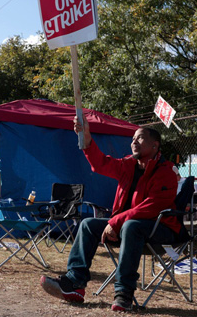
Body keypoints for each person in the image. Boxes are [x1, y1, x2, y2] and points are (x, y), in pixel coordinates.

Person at [41, 117, 180, 312]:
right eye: (133, 138)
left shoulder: (166, 171)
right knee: (89, 224)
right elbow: (100, 164)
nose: (133, 142)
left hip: (161, 230)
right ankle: (75, 283)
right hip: (128, 227)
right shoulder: (128, 164)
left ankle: (124, 294)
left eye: (139, 138)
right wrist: (86, 136)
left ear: (155, 145)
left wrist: (116, 221)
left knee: (132, 226)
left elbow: (153, 207)